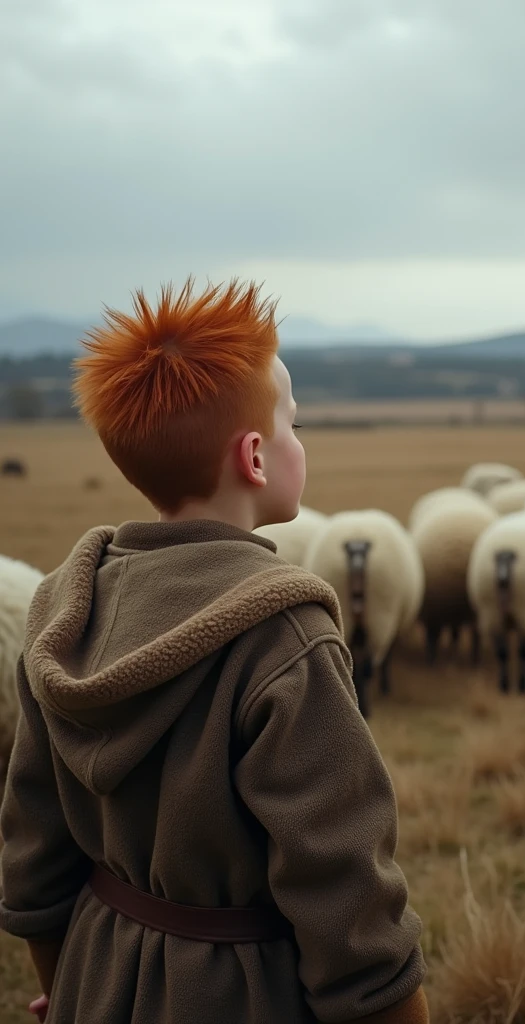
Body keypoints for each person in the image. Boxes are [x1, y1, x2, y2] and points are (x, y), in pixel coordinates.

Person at [0, 279, 428, 1023]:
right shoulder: (285, 637)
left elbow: (33, 856)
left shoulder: (60, 611)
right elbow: (347, 900)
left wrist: (70, 982)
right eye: (293, 423)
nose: (301, 441)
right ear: (256, 457)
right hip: (247, 994)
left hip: (95, 974)